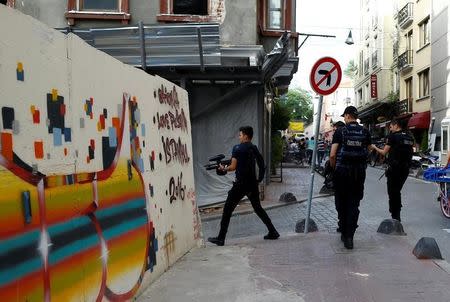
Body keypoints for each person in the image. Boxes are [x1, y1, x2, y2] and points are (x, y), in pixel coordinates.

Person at [208, 126, 279, 246]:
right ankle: (273, 231)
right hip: (252, 185)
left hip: (240, 185)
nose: (239, 137)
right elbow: (262, 164)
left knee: (227, 210)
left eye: (240, 135)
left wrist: (223, 168)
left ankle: (221, 238)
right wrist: (259, 179)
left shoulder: (237, 148)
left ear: (246, 136)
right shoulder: (253, 148)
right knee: (258, 208)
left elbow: (232, 167)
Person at [330, 106, 371, 249]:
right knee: (354, 203)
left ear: (347, 116)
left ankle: (343, 227)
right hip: (359, 173)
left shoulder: (340, 131)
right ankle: (349, 237)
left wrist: (334, 168)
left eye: (344, 116)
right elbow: (369, 150)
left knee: (341, 202)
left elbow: (332, 154)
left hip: (342, 172)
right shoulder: (365, 132)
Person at [371, 118, 414, 221]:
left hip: (394, 169)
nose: (390, 128)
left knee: (392, 192)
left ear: (396, 125)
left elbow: (384, 152)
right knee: (397, 191)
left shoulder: (393, 137)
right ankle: (396, 213)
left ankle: (395, 216)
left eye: (391, 126)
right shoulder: (409, 137)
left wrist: (374, 147)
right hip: (405, 169)